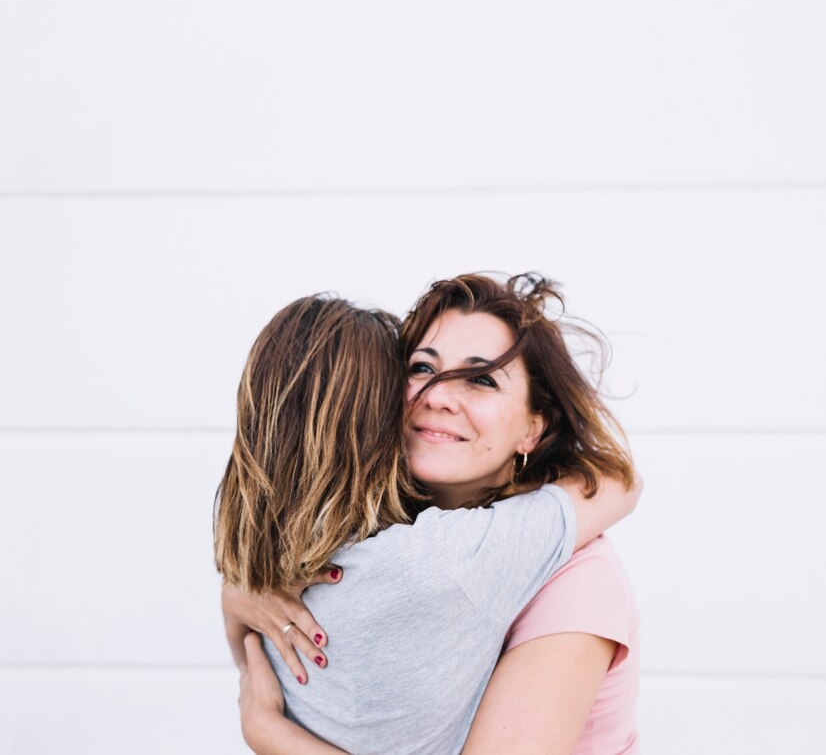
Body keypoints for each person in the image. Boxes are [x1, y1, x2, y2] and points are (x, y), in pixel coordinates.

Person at [216, 275, 640, 754]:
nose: (438, 395)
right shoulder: (363, 540)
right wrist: (241, 591)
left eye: (481, 379)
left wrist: (268, 731)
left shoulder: (576, 582)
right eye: (422, 367)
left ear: (532, 431)